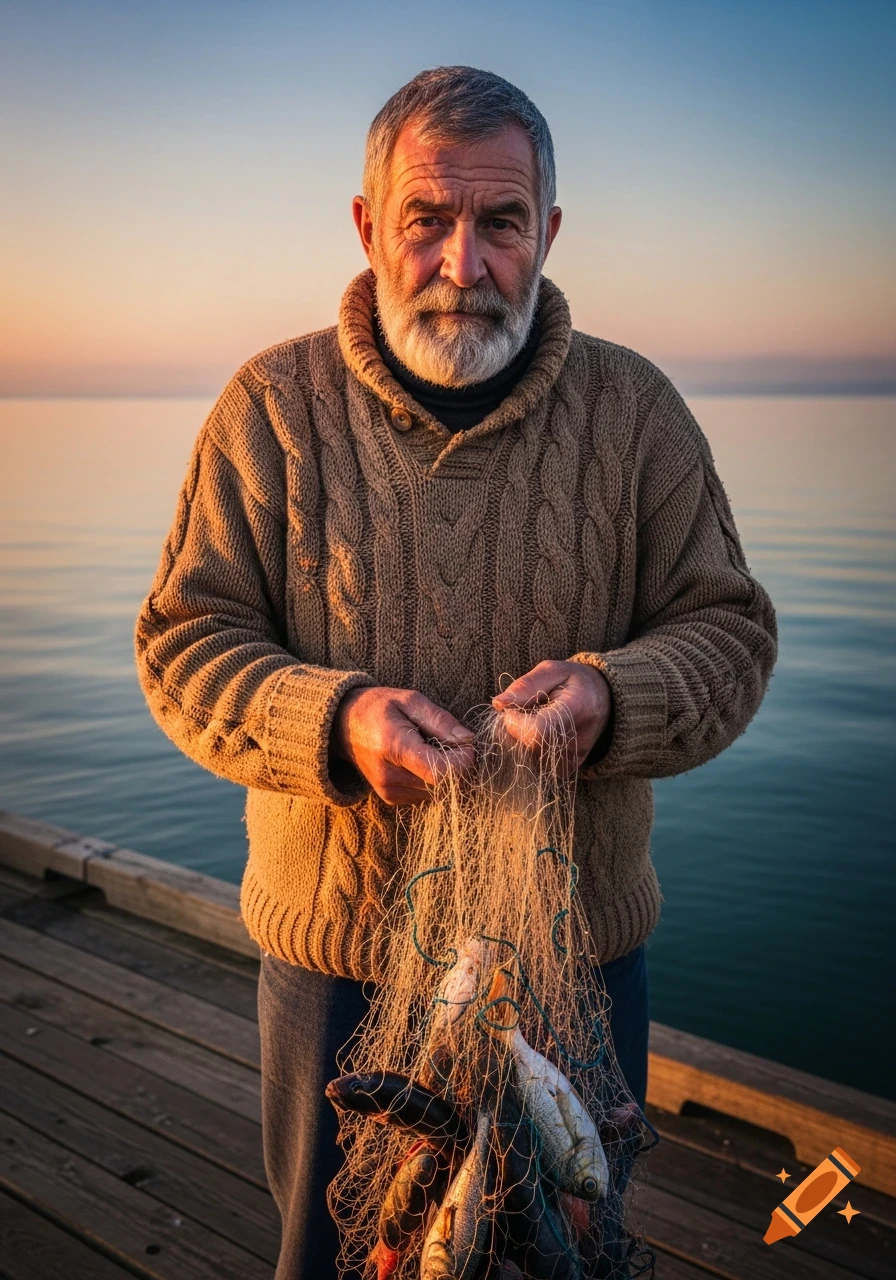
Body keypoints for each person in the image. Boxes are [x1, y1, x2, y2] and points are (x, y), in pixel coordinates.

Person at [135, 65, 777, 1279]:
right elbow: (182, 643)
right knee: (344, 1254)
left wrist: (611, 695)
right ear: (370, 224)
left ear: (547, 229)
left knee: (565, 1247)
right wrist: (332, 720)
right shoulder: (268, 410)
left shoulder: (636, 412)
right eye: (426, 219)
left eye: (500, 221)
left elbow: (728, 633)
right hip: (339, 971)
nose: (463, 260)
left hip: (575, 963)